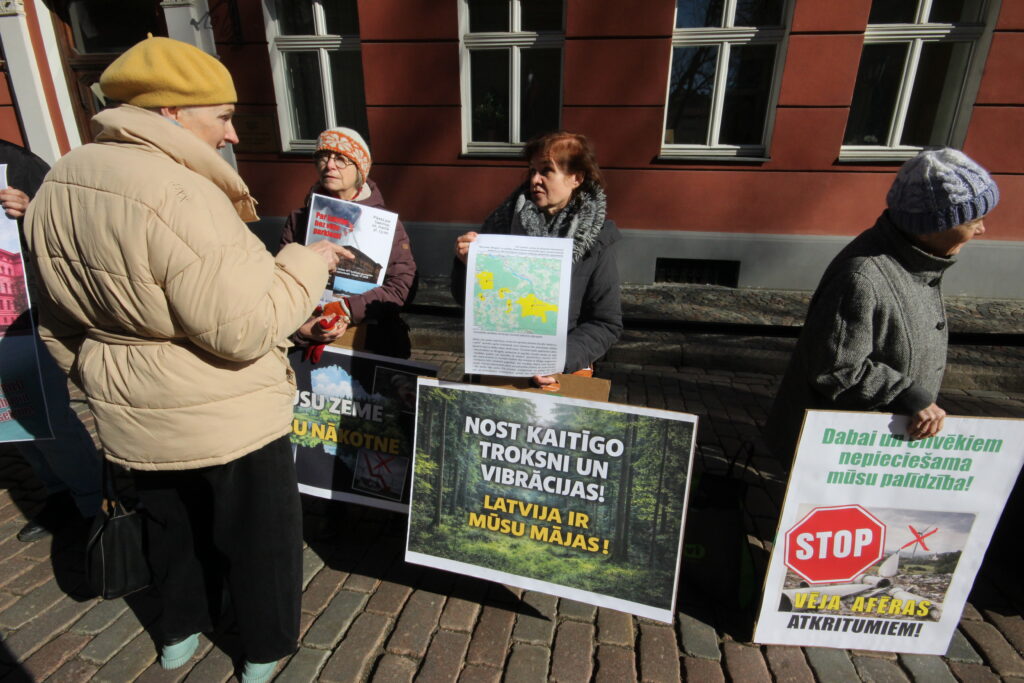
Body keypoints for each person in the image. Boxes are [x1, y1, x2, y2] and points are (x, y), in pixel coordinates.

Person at [23, 37, 349, 682]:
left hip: (130, 405)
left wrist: (100, 375)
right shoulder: (179, 191)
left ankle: (178, 632)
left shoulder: (60, 180)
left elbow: (55, 320)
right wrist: (307, 263)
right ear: (170, 111)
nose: (231, 133)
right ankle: (261, 649)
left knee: (169, 526)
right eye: (222, 115)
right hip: (227, 409)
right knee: (257, 538)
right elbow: (241, 329)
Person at [764, 148, 998, 466]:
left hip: (871, 450)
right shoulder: (863, 275)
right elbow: (835, 368)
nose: (982, 230)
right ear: (932, 226)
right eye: (974, 220)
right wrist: (905, 394)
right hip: (838, 455)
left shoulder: (913, 260)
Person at [452, 131, 622, 386]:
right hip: (497, 369)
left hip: (558, 377)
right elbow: (466, 302)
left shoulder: (597, 239)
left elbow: (605, 323)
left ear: (576, 178)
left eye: (546, 171)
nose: (535, 180)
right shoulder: (501, 225)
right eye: (532, 170)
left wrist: (559, 359)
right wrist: (466, 265)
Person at [1, 139, 102, 542]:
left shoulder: (17, 163)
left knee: (47, 415)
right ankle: (58, 492)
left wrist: (30, 211)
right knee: (8, 418)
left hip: (25, 312)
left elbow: (69, 230)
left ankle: (93, 501)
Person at [279, 127, 417, 358]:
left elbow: (400, 285)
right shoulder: (300, 220)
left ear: (360, 168)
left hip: (369, 344)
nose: (330, 165)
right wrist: (304, 329)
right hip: (308, 342)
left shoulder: (386, 224)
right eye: (323, 157)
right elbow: (282, 282)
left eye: (341, 159)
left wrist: (348, 309)